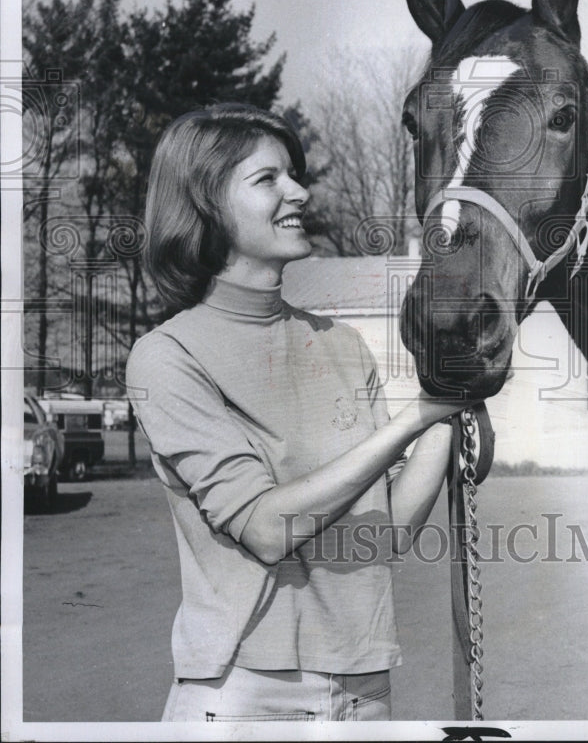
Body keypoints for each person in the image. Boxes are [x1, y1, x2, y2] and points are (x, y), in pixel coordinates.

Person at [125, 102, 462, 723]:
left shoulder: (341, 343)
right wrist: (415, 417)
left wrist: (448, 410)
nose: (299, 192)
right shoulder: (167, 356)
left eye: (294, 175)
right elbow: (264, 528)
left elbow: (385, 531)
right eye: (267, 179)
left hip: (364, 689)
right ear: (205, 207)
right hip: (245, 694)